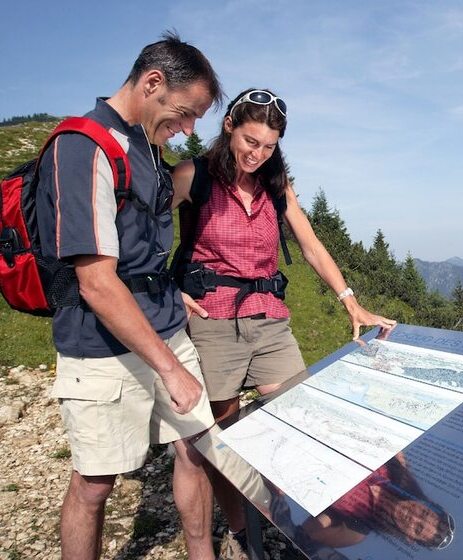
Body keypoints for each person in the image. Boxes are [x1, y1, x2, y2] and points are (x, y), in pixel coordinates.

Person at [171, 87, 397, 558]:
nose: (258, 154)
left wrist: (350, 301)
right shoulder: (194, 175)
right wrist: (165, 287)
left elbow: (311, 244)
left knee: (298, 421)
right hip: (212, 321)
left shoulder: (276, 184)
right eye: (251, 140)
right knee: (224, 438)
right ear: (229, 126)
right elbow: (137, 228)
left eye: (269, 146)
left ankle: (302, 525)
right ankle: (240, 533)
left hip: (270, 319)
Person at [35, 32, 223, 560]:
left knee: (195, 447)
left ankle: (202, 553)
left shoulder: (146, 146)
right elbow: (95, 279)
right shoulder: (83, 146)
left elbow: (140, 250)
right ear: (152, 82)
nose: (187, 129)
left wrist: (166, 291)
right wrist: (170, 368)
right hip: (99, 345)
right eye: (186, 113)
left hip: (162, 322)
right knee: (95, 485)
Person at [300, 453, 455, 550]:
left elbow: (302, 536)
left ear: (409, 537)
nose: (414, 517)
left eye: (418, 528)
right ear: (424, 503)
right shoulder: (395, 469)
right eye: (424, 512)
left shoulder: (356, 530)